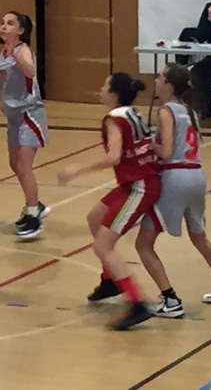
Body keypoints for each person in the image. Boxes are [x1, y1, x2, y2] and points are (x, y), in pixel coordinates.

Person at [135, 64, 211, 318]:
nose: (156, 80)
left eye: (160, 77)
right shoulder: (189, 111)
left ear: (169, 85)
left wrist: (148, 145)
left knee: (143, 243)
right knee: (199, 237)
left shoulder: (166, 111)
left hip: (176, 177)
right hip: (196, 175)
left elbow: (166, 151)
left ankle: (170, 299)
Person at [58, 73, 157, 331]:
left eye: (104, 86)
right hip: (135, 182)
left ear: (113, 94)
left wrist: (78, 169)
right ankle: (110, 279)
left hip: (140, 186)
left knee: (102, 246)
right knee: (94, 218)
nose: (100, 90)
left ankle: (137, 303)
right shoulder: (133, 113)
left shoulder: (114, 119)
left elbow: (114, 157)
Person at [0, 12, 50, 239]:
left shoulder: (22, 50)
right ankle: (36, 204)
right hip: (12, 115)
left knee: (24, 165)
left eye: (10, 23)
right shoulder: (3, 53)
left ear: (20, 30)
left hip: (29, 113)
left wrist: (14, 52)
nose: (4, 26)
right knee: (14, 163)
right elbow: (6, 84)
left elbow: (30, 72)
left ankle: (33, 215)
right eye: (2, 22)